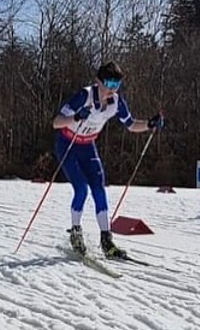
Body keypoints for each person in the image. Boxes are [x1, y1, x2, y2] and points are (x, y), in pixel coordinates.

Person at [52, 61, 164, 258]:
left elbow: (130, 125)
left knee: (98, 188)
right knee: (81, 188)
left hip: (87, 146)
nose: (112, 89)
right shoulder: (84, 96)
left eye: (116, 85)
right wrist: (76, 117)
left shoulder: (116, 102)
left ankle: (106, 240)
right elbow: (57, 122)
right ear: (98, 82)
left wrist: (149, 124)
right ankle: (76, 233)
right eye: (109, 84)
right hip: (68, 145)